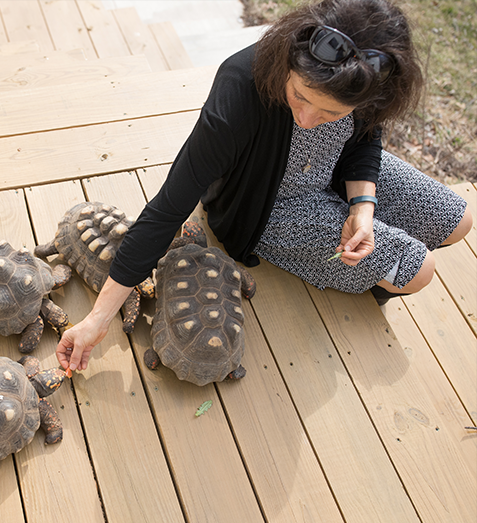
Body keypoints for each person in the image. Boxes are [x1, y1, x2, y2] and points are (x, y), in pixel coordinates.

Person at [56, 0, 472, 374]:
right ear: (289, 63)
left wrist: (362, 206)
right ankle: (362, 281)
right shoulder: (239, 87)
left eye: (331, 112)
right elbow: (167, 209)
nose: (307, 118)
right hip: (269, 207)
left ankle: (365, 269)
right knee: (418, 271)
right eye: (298, 96)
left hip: (335, 172)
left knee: (459, 220)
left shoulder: (364, 77)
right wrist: (98, 317)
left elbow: (365, 138)